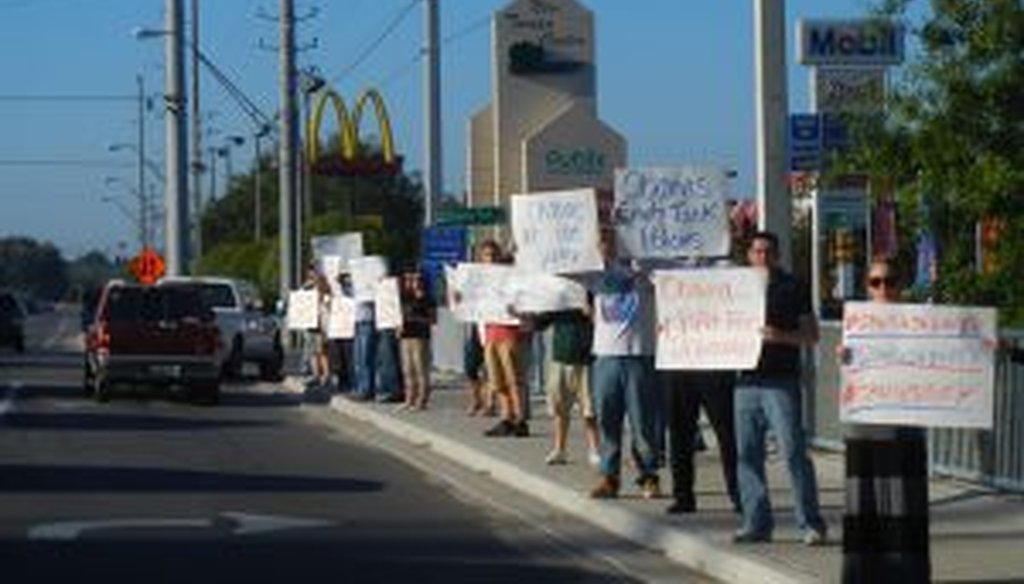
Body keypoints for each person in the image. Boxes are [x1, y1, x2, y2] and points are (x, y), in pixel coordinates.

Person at [732, 231, 827, 545]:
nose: (762, 257)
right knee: (747, 455)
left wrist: (780, 337)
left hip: (780, 381)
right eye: (757, 251)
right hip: (745, 382)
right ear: (748, 255)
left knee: (793, 452)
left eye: (768, 251)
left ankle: (810, 523)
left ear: (778, 255)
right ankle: (756, 524)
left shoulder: (793, 286)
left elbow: (812, 335)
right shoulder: (735, 287)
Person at [840, 259, 931, 582]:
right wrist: (844, 357)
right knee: (862, 504)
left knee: (905, 505)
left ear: (901, 284)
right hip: (864, 426)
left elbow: (954, 350)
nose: (883, 289)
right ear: (867, 286)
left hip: (905, 429)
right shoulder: (857, 322)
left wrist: (987, 346)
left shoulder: (923, 321)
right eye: (875, 282)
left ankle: (907, 575)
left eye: (889, 281)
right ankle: (861, 575)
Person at [582, 231, 661, 499]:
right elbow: (559, 273)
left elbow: (669, 276)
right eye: (602, 245)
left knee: (643, 423)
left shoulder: (645, 271)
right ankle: (609, 477)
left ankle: (648, 475)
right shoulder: (595, 276)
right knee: (607, 421)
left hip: (639, 356)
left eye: (611, 244)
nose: (606, 249)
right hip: (606, 357)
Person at [530, 303, 600, 466]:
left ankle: (595, 449)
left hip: (586, 359)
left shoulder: (590, 293)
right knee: (559, 407)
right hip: (560, 358)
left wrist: (591, 312)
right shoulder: (559, 298)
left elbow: (604, 322)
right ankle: (559, 449)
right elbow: (540, 323)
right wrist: (522, 315)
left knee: (589, 409)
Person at [475, 239, 529, 438]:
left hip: (508, 332)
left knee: (513, 379)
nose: (490, 259)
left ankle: (520, 419)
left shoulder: (510, 276)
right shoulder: (479, 279)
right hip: (490, 333)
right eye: (486, 255)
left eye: (493, 255)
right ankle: (507, 418)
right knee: (497, 382)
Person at [398, 270, 436, 410]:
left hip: (420, 336)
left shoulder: (427, 298)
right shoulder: (405, 297)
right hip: (405, 335)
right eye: (409, 279)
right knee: (407, 369)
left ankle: (422, 399)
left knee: (420, 368)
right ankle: (409, 398)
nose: (413, 282)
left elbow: (433, 319)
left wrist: (415, 319)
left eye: (416, 279)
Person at [301, 264, 331, 388]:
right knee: (313, 351)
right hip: (309, 322)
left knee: (322, 350)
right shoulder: (307, 286)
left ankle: (326, 375)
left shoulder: (323, 287)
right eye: (309, 272)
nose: (311, 275)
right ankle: (316, 375)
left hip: (320, 322)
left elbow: (327, 302)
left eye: (313, 272)